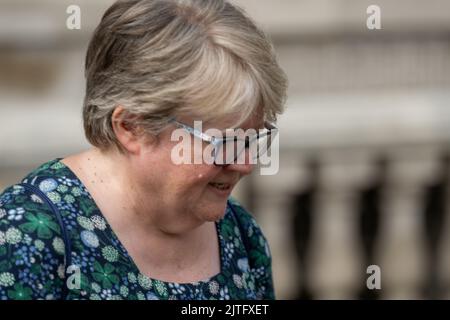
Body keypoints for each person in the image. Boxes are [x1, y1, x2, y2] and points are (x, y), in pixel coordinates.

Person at [0, 0, 287, 300]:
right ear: (131, 127)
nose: (246, 164)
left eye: (252, 139)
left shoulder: (240, 232)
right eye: (224, 143)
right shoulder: (27, 235)